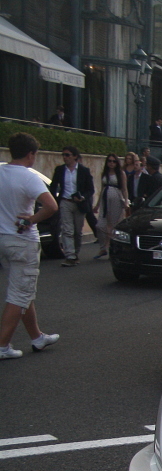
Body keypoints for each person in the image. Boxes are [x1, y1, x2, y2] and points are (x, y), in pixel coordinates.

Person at [0, 132, 61, 359]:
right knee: (19, 293)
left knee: (22, 289)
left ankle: (37, 337)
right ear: (30, 154)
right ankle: (3, 345)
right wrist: (30, 220)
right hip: (22, 240)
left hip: (2, 239)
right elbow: (51, 206)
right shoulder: (28, 177)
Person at [51, 146, 95, 267]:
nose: (65, 157)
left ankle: (75, 253)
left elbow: (90, 189)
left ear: (75, 156)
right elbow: (53, 186)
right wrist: (55, 200)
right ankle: (70, 255)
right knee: (67, 230)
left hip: (79, 204)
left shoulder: (84, 171)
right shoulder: (60, 170)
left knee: (77, 231)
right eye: (63, 155)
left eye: (67, 155)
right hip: (65, 202)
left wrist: (83, 197)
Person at [93, 154, 129, 259]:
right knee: (100, 225)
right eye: (109, 161)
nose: (111, 163)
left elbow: (124, 189)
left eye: (113, 161)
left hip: (116, 198)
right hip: (105, 197)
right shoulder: (104, 173)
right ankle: (103, 247)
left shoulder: (120, 173)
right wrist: (97, 205)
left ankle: (112, 249)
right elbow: (102, 189)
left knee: (114, 224)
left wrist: (126, 201)